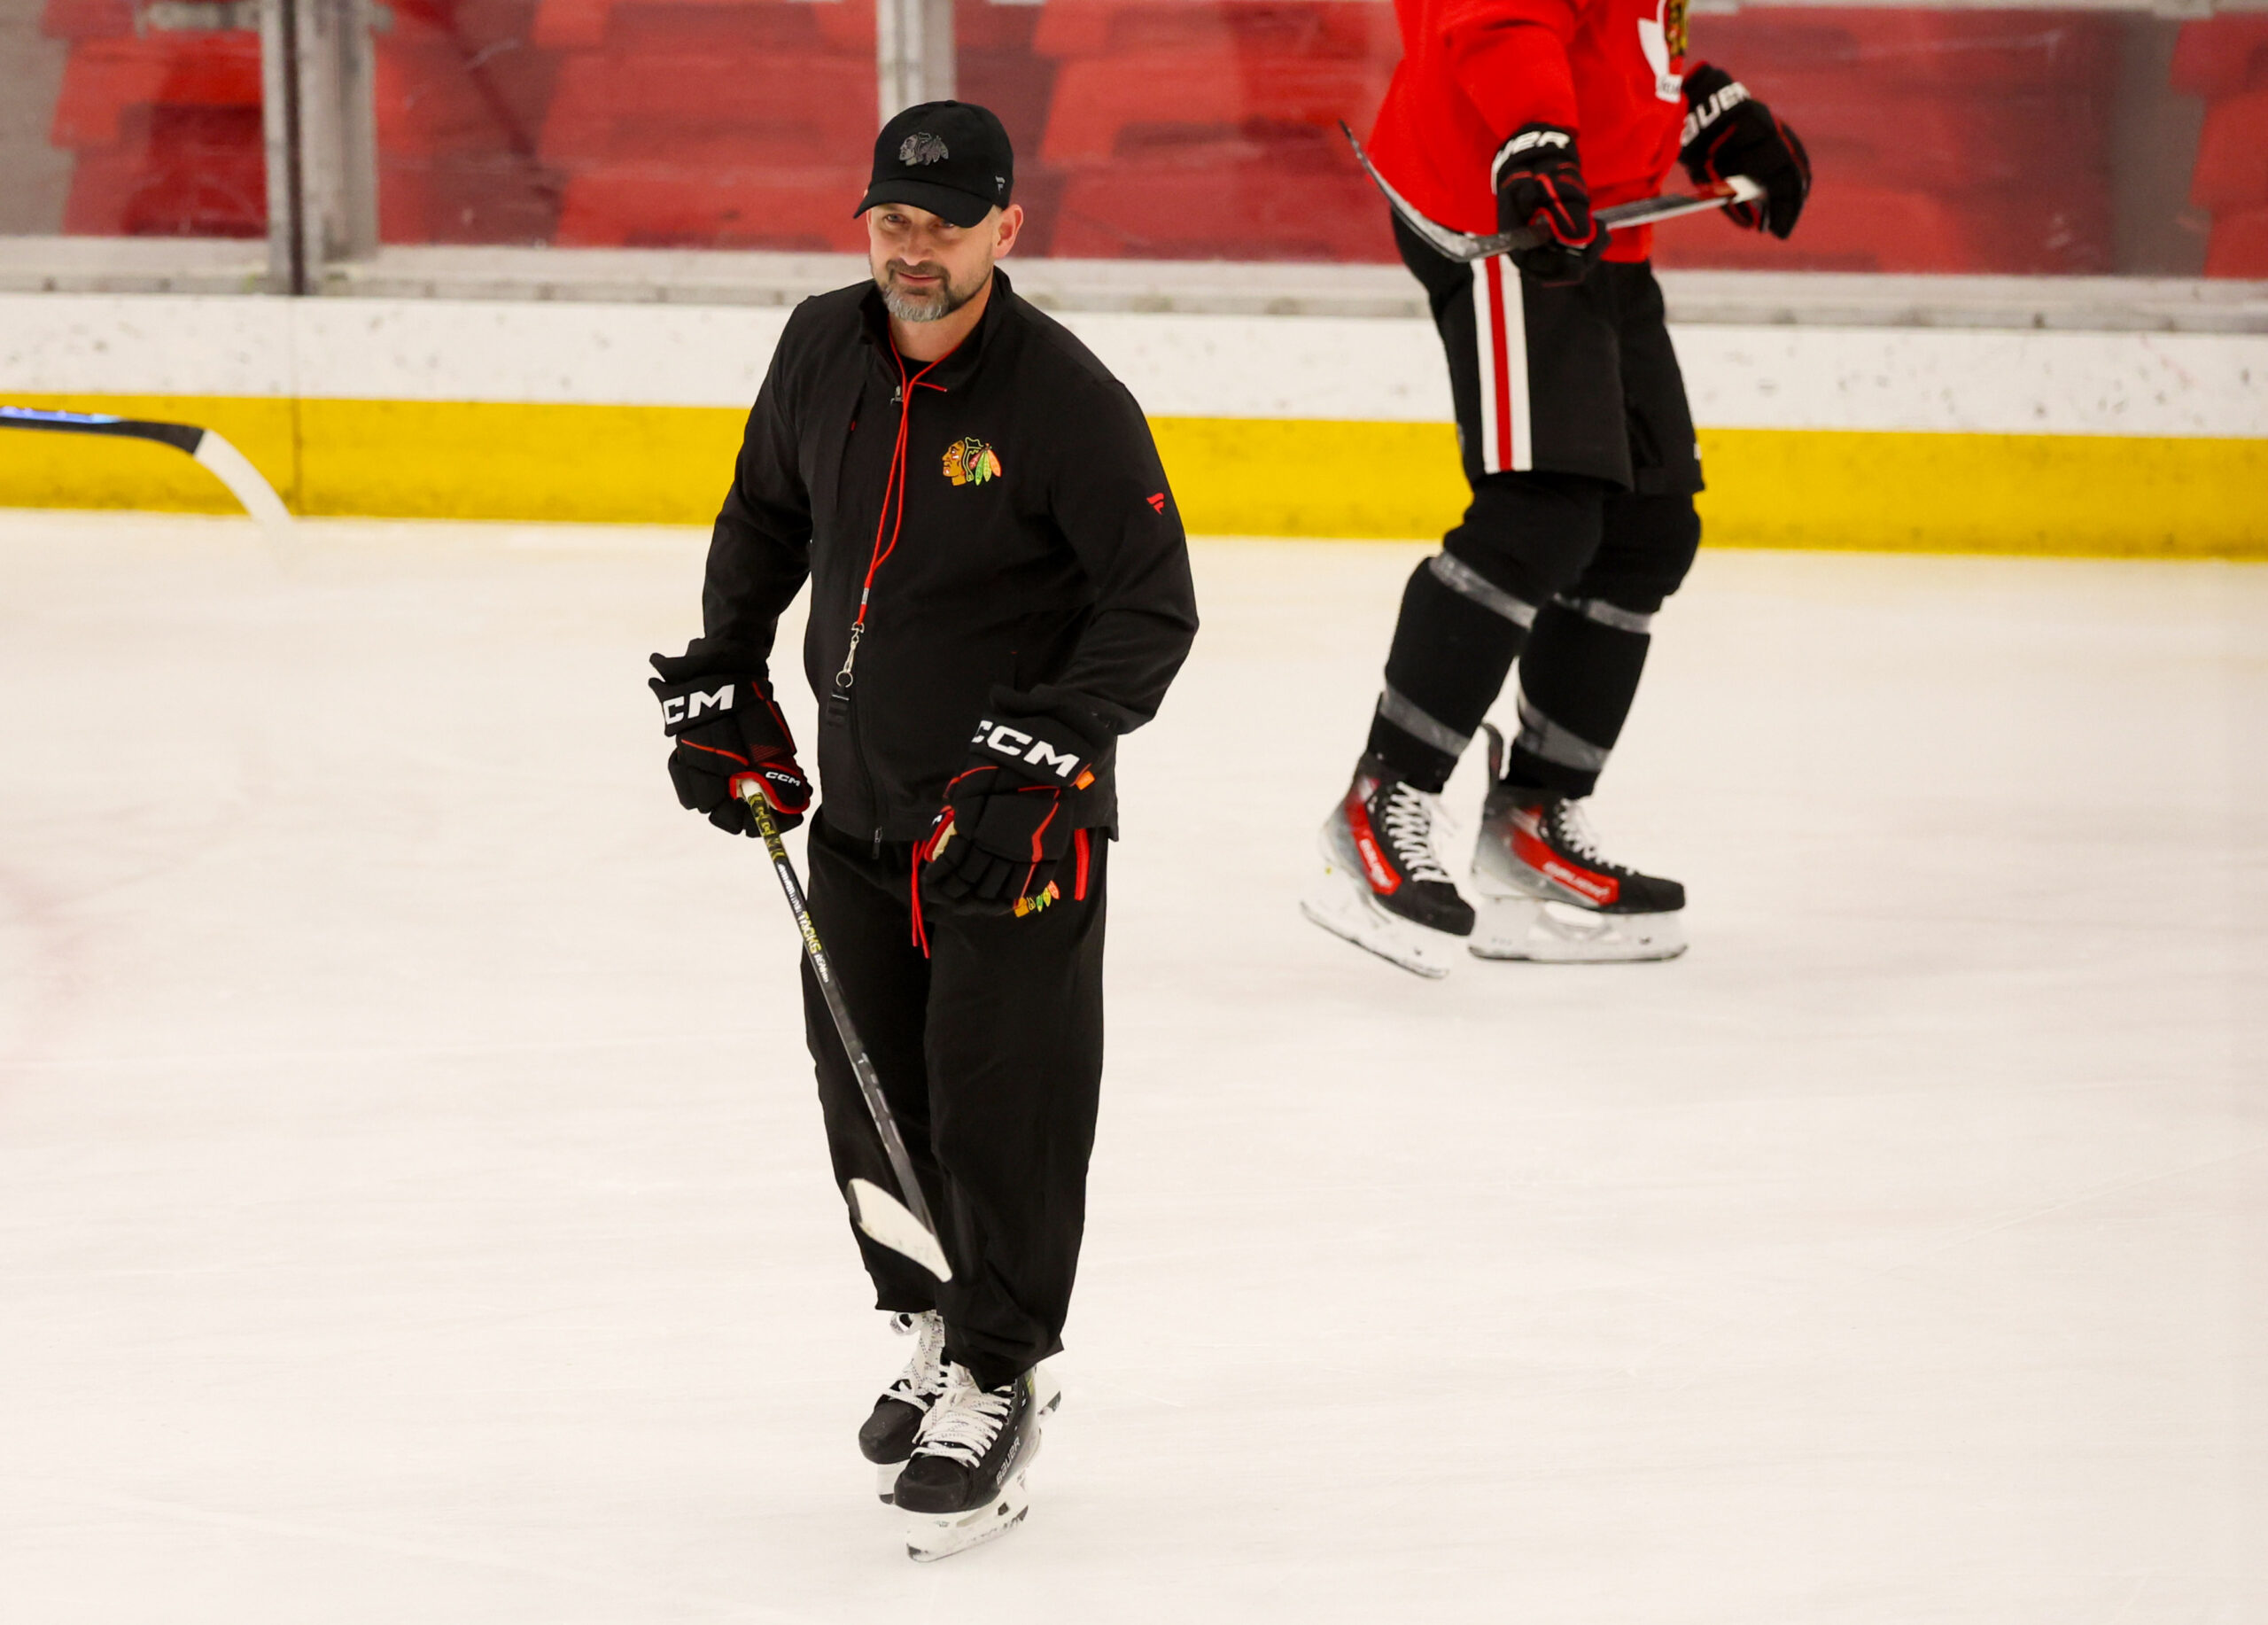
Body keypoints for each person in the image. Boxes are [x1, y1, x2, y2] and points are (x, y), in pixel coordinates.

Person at [647, 100, 1197, 1559]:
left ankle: (1003, 1369)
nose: (911, 250)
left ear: (1007, 229)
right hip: (860, 810)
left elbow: (1152, 607)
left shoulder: (1066, 399)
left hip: (1014, 833)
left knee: (998, 1106)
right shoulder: (823, 344)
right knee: (872, 1096)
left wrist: (1047, 747)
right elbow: (763, 515)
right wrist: (724, 675)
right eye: (891, 219)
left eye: (942, 227)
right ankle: (937, 1324)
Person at [1304, 0, 1809, 976]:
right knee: (1541, 508)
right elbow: (1497, 17)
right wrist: (1531, 139)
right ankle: (1378, 804)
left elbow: (1615, 30)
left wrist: (1697, 106)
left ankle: (1530, 820)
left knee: (1644, 529)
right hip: (1500, 199)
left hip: (1596, 214)